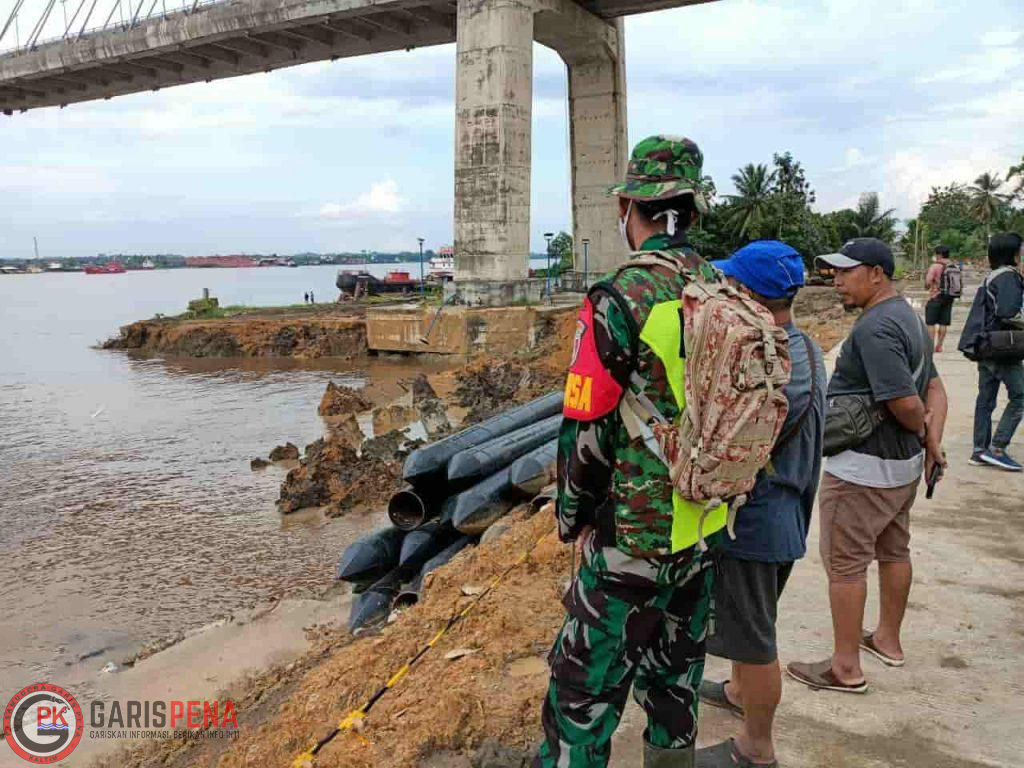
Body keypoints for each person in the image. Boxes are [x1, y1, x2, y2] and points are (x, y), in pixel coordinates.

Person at [534, 136, 727, 768]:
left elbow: (585, 427)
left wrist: (572, 515)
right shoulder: (719, 287)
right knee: (675, 686)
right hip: (703, 527)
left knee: (581, 697)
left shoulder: (619, 296)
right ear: (692, 210)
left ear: (627, 207)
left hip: (631, 539)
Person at [788, 238, 948, 693]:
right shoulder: (908, 316)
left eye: (846, 271)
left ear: (876, 273)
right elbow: (935, 388)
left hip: (864, 470)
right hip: (901, 467)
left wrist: (922, 429)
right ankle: (887, 640)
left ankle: (844, 668)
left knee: (845, 564)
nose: (836, 281)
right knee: (894, 550)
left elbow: (906, 402)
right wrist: (931, 443)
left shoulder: (875, 328)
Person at [696, 241, 826, 768]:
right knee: (749, 620)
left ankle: (756, 747)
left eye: (732, 286)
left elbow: (727, 444)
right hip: (785, 511)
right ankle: (736, 692)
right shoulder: (804, 347)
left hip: (756, 521)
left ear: (748, 294)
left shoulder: (765, 363)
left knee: (755, 638)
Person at [958, 232, 1024, 471]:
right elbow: (1008, 312)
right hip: (1003, 348)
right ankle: (997, 448)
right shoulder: (1008, 277)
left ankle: (980, 450)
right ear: (1013, 253)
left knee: (985, 400)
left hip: (986, 346)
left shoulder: (994, 276)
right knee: (1020, 396)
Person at [923, 246, 959, 352]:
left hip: (936, 297)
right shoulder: (953, 266)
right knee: (943, 323)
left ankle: (930, 346)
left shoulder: (935, 266)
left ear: (939, 254)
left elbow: (928, 282)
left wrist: (927, 286)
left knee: (931, 323)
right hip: (949, 298)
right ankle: (939, 346)